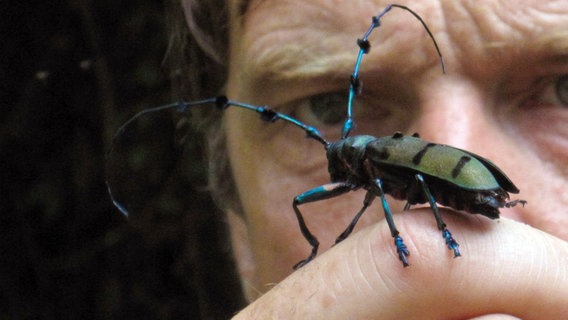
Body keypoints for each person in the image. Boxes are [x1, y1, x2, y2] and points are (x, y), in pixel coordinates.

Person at [176, 0, 568, 318]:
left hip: (469, 186)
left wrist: (411, 236)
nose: (444, 280)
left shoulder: (379, 161)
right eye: (323, 106)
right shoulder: (372, 170)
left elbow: (388, 189)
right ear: (236, 220)